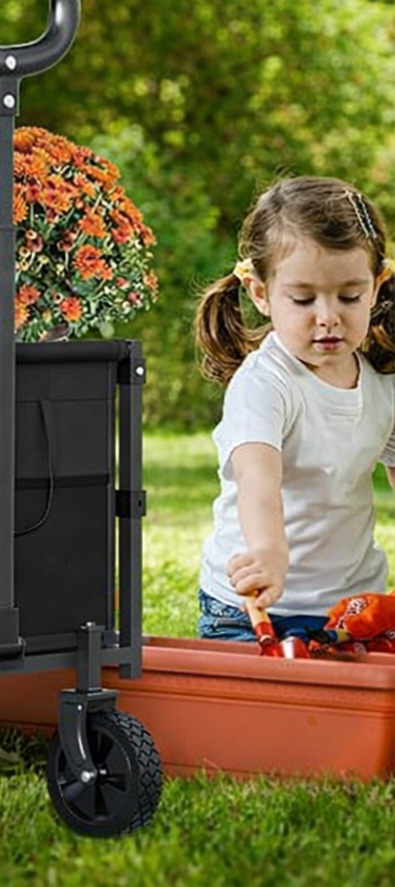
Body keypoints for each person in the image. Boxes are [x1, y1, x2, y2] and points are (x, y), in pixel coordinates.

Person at [194, 176, 395, 641]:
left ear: (377, 285)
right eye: (303, 299)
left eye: (350, 295)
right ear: (260, 293)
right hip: (253, 606)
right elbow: (258, 479)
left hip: (350, 605)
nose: (328, 315)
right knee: (260, 711)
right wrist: (268, 551)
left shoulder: (383, 379)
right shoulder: (263, 384)